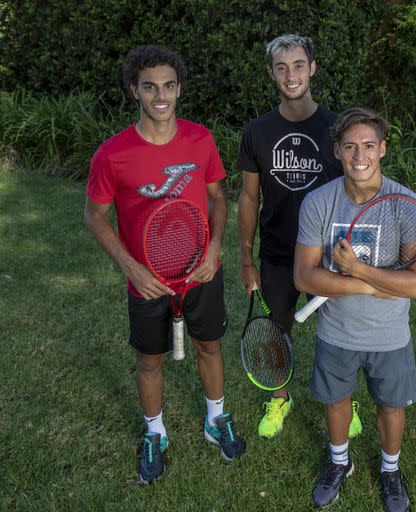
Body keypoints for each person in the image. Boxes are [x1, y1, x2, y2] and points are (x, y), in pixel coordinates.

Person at [84, 45, 245, 484]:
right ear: (134, 90)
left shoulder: (200, 139)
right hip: (148, 281)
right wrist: (131, 268)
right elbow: (94, 215)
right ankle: (155, 432)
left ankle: (216, 419)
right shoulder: (112, 154)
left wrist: (214, 248)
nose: (160, 95)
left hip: (200, 271)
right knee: (149, 360)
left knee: (209, 346)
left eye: (168, 86)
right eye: (150, 86)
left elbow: (217, 198)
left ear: (178, 90)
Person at [294, 108, 416, 511]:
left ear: (383, 149)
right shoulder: (319, 202)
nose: (359, 156)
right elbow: (303, 276)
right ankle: (339, 463)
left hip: (389, 336)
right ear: (336, 150)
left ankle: (390, 469)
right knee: (335, 400)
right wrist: (372, 282)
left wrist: (355, 269)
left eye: (369, 145)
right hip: (336, 332)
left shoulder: (407, 204)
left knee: (390, 405)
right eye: (350, 146)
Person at [237, 34, 361, 439]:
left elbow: (354, 191)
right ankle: (279, 397)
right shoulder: (257, 130)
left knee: (339, 335)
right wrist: (245, 257)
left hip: (327, 255)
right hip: (276, 253)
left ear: (313, 68)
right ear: (271, 73)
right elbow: (249, 196)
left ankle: (344, 400)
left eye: (298, 65)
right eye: (282, 67)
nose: (291, 75)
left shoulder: (335, 128)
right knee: (277, 329)